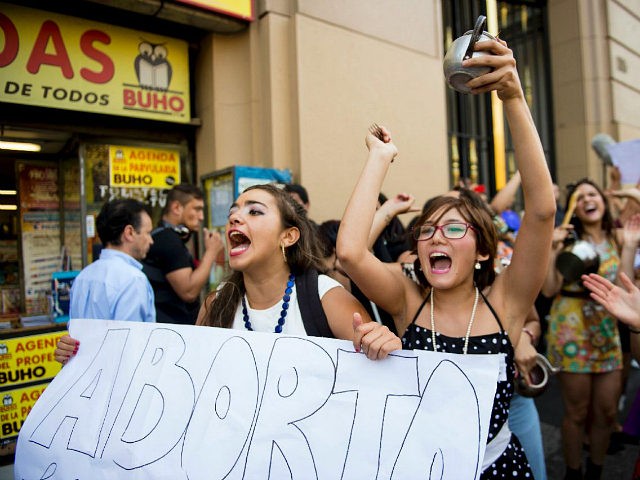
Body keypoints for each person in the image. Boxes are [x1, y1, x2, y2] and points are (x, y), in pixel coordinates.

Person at [337, 37, 555, 479]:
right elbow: (349, 252)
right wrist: (380, 157)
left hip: (497, 469)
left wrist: (512, 95)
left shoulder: (507, 300)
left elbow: (543, 209)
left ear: (482, 251)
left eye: (455, 228)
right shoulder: (406, 300)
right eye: (427, 231)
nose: (437, 237)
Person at [196, 183, 400, 359]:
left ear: (288, 236)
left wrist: (381, 344)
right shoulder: (215, 303)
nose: (235, 218)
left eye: (255, 211)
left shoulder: (326, 298)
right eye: (232, 213)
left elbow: (378, 372)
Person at [542, 179, 640, 479]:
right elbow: (548, 290)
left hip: (606, 329)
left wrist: (631, 243)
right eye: (580, 196)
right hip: (571, 329)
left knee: (607, 413)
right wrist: (551, 248)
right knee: (576, 412)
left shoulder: (619, 236)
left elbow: (624, 284)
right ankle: (573, 473)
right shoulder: (566, 239)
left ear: (602, 201)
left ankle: (595, 470)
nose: (587, 199)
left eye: (592, 193)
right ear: (574, 207)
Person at [55, 199, 155, 364]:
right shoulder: (133, 280)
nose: (151, 240)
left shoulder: (83, 277)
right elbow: (130, 349)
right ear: (129, 232)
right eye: (147, 233)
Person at [142, 184, 224, 325]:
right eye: (197, 209)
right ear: (176, 208)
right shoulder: (169, 240)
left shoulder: (163, 236)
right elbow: (189, 292)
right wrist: (211, 252)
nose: (201, 217)